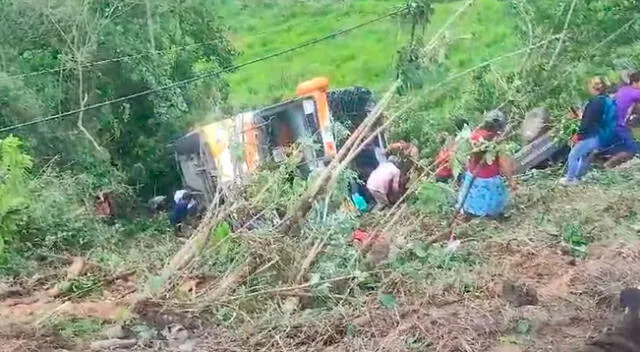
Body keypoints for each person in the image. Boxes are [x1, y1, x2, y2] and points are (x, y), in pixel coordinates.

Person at [456, 112, 515, 219]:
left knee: (471, 203)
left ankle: (469, 214)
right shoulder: (497, 140)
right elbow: (504, 163)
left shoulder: (474, 135)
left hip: (472, 176)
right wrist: (511, 180)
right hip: (488, 181)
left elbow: (467, 157)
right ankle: (492, 216)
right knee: (492, 205)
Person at [561, 77, 616, 185]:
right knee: (584, 156)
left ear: (593, 87)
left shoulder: (594, 102)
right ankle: (578, 178)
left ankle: (570, 179)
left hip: (591, 134)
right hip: (602, 134)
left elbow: (588, 121)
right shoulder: (605, 100)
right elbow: (597, 118)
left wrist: (579, 135)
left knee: (573, 155)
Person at [607, 71, 640, 168]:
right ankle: (608, 166)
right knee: (632, 150)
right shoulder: (635, 92)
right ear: (636, 82)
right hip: (619, 125)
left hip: (611, 123)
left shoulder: (624, 89)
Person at [434, 118, 469, 183]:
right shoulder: (445, 151)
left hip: (449, 173)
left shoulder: (459, 140)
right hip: (446, 173)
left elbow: (440, 161)